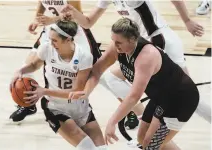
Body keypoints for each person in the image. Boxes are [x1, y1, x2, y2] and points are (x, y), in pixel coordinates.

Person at [62, 0, 210, 125]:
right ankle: (145, 120)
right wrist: (75, 14)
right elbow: (88, 23)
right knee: (187, 95)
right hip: (148, 44)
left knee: (185, 94)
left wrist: (187, 21)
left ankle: (147, 122)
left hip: (159, 42)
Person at [68, 18, 199, 150]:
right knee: (142, 139)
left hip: (180, 99)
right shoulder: (117, 48)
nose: (115, 45)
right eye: (113, 40)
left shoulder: (146, 56)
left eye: (119, 42)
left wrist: (112, 122)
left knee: (151, 144)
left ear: (132, 40)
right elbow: (96, 70)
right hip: (160, 97)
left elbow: (134, 97)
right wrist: (86, 91)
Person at [10, 20, 108, 150]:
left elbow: (76, 92)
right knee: (88, 148)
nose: (51, 43)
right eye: (50, 39)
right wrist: (21, 70)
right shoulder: (47, 48)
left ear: (67, 39)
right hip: (55, 108)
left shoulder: (84, 56)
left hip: (81, 108)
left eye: (55, 40)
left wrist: (44, 91)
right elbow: (34, 65)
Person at [9, 0, 103, 122]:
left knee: (101, 74)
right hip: (52, 31)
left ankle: (130, 106)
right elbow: (42, 2)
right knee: (26, 68)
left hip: (72, 33)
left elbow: (77, 16)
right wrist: (37, 19)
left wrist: (53, 20)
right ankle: (28, 105)